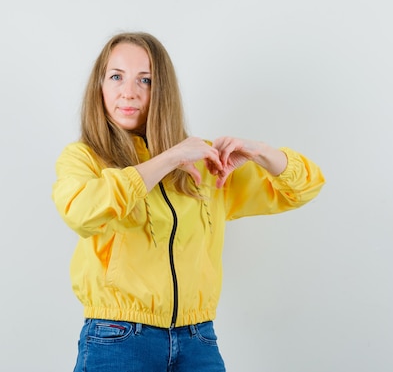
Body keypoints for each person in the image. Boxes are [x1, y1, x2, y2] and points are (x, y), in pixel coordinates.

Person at [52, 31, 325, 372]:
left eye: (146, 80)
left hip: (199, 341)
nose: (129, 92)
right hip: (118, 338)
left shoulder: (204, 163)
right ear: (100, 86)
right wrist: (167, 159)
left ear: (161, 90)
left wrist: (259, 152)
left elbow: (302, 188)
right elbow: (80, 213)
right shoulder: (84, 158)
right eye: (116, 76)